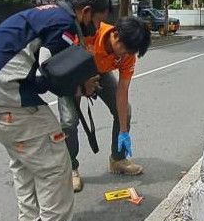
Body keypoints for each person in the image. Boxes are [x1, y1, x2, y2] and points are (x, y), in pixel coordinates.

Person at [0, 0, 111, 221]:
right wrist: (81, 85)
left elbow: (43, 71)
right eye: (97, 22)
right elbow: (48, 76)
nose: (96, 28)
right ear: (87, 11)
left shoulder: (48, 13)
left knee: (24, 161)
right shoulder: (64, 25)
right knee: (56, 161)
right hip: (8, 96)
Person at [59, 16, 151, 192]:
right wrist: (81, 90)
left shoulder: (128, 55)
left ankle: (118, 160)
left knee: (125, 111)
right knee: (70, 121)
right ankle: (70, 169)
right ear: (115, 35)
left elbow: (122, 91)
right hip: (71, 74)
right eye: (124, 50)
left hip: (100, 73)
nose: (125, 56)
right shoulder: (90, 35)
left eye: (130, 52)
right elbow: (68, 66)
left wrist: (123, 131)